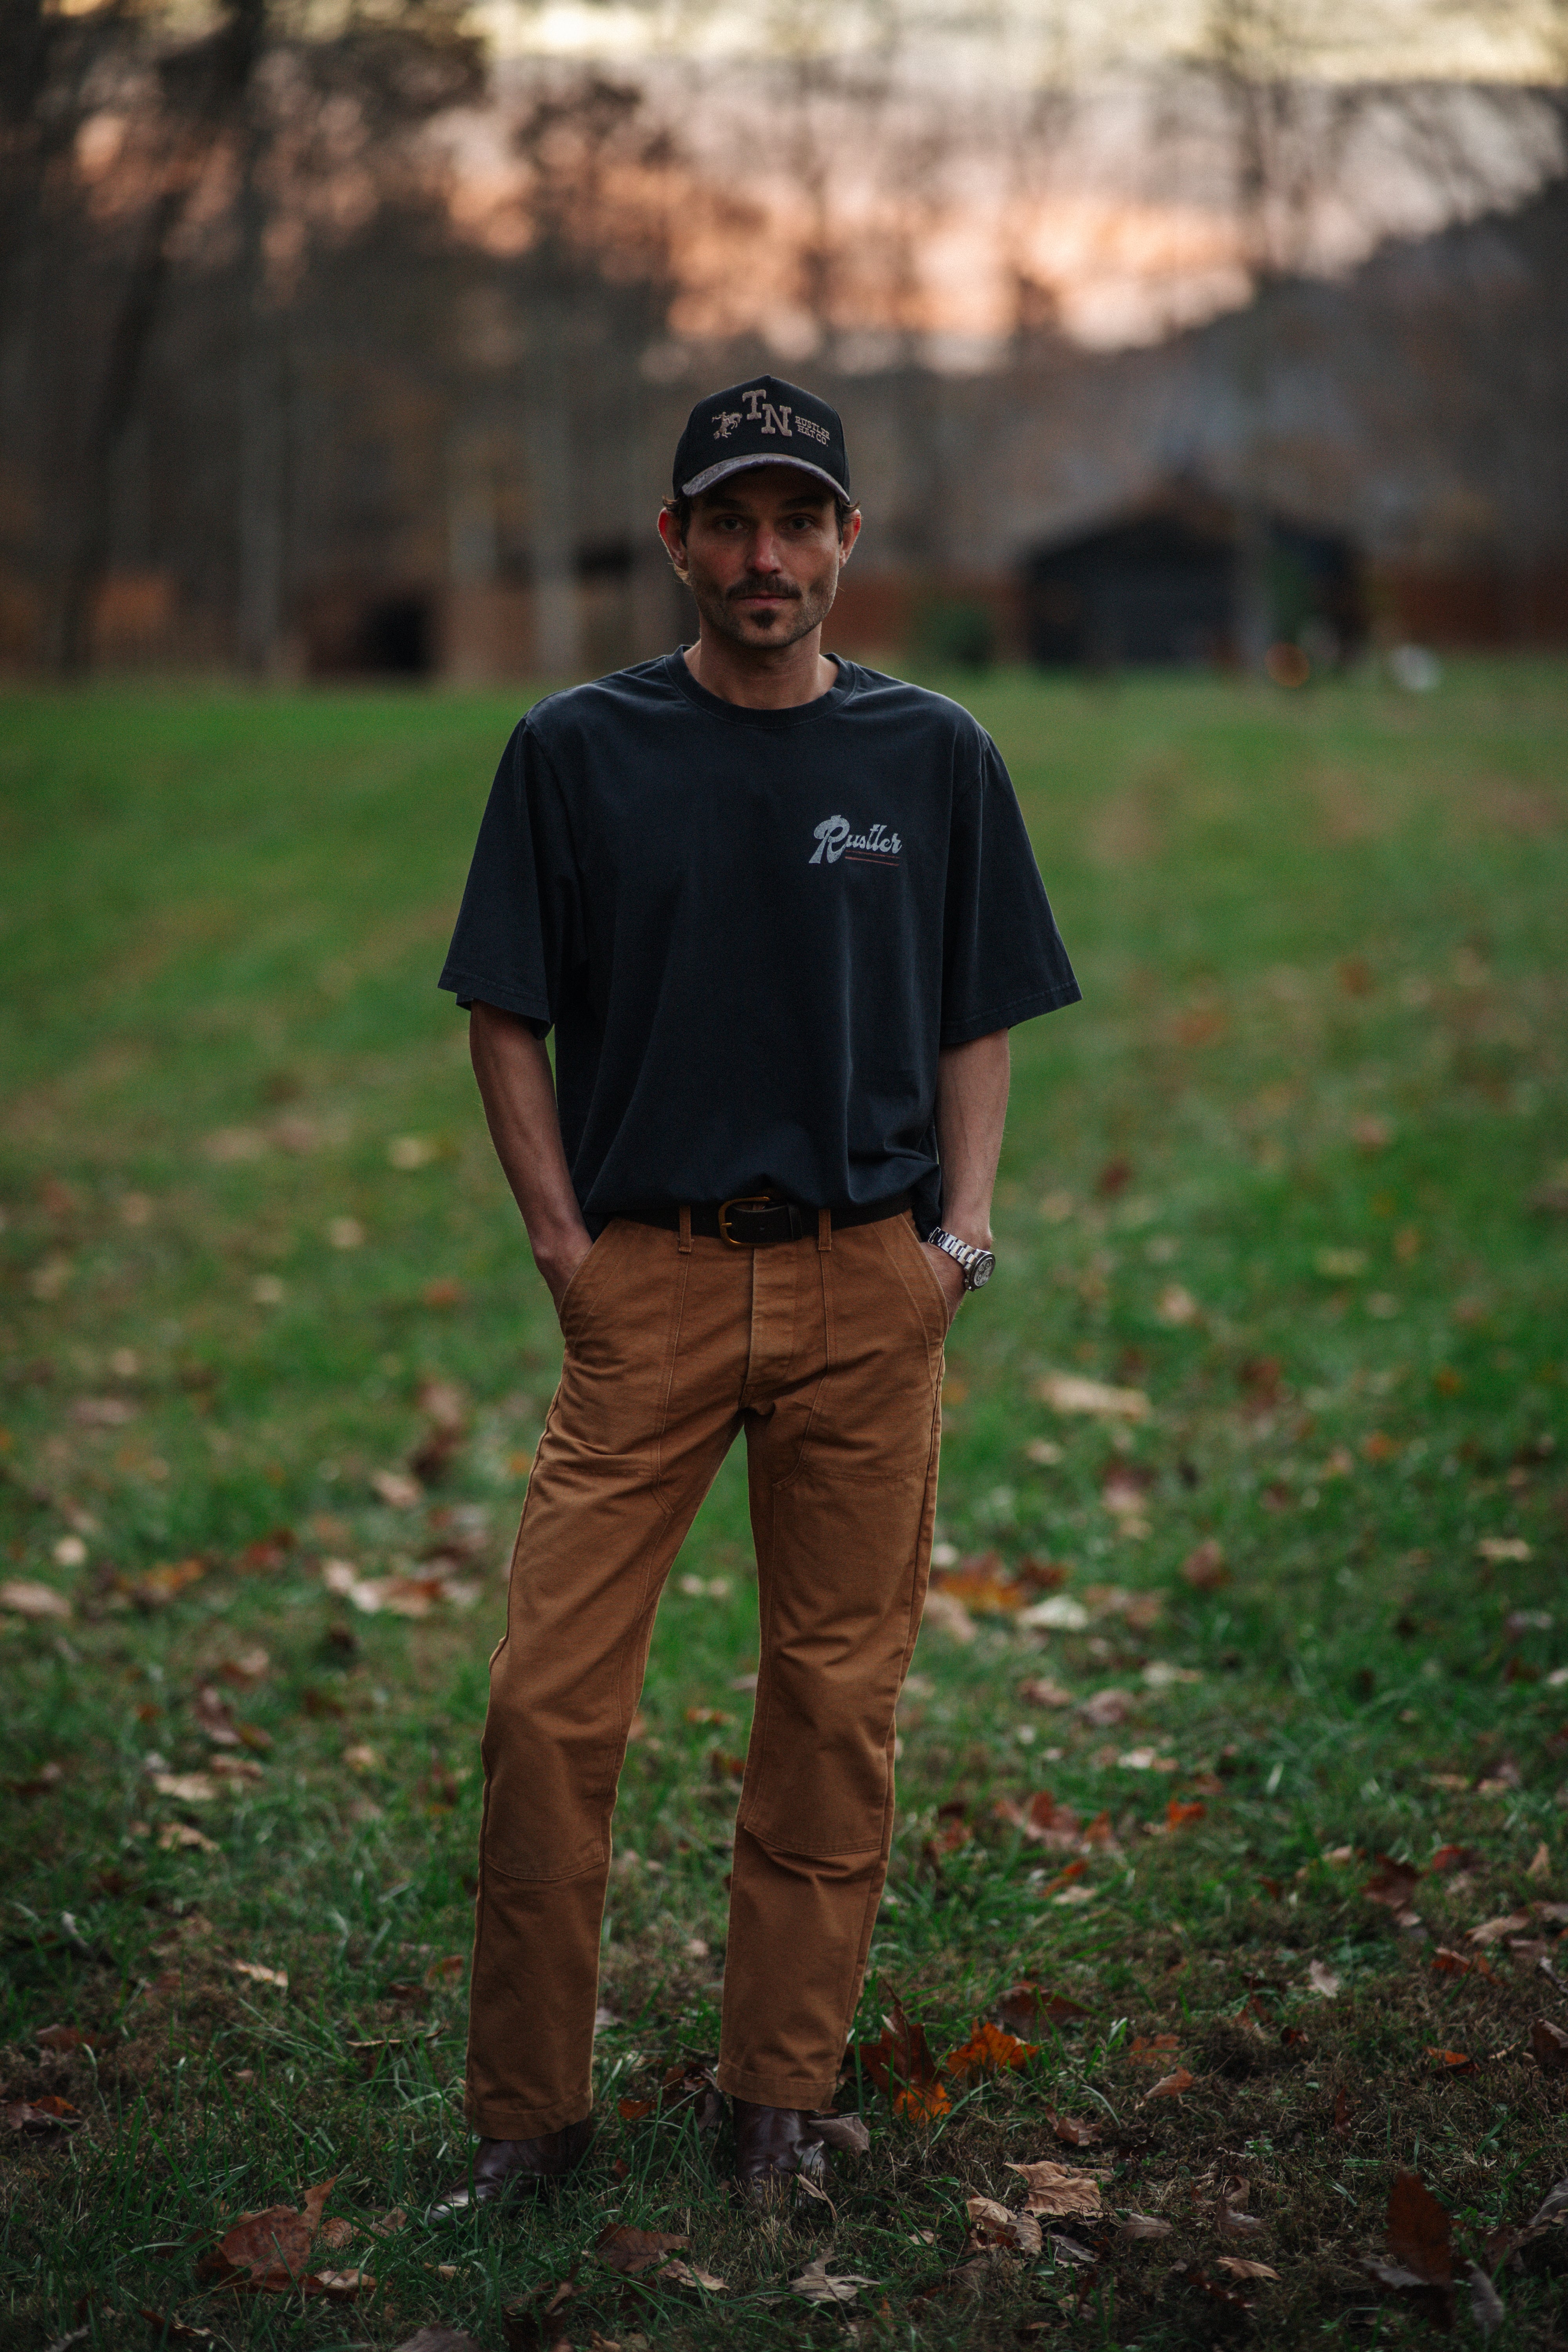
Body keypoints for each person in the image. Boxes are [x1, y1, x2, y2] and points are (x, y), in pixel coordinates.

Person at [430, 373, 1079, 2213]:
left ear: (848, 544)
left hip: (868, 1289)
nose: (765, 555)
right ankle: (525, 2115)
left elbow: (978, 1012)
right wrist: (565, 1249)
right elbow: (504, 1009)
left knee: (831, 1702)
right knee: (549, 1706)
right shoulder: (576, 750)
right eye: (730, 522)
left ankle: (774, 2099)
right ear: (676, 545)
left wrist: (956, 1238)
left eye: (799, 522)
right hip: (643, 1284)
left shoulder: (932, 757)